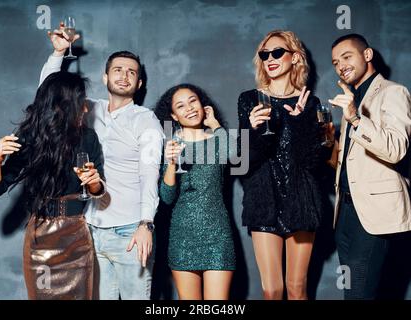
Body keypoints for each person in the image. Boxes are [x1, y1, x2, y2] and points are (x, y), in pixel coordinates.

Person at [40, 23, 164, 299]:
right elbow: (49, 97)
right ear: (105, 77)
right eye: (118, 70)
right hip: (88, 230)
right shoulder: (88, 109)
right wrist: (58, 54)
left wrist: (146, 224)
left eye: (132, 72)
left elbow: (149, 173)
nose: (124, 76)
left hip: (129, 232)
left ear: (139, 84)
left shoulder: (146, 121)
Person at [0, 71, 106, 300]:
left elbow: (99, 190)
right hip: (41, 242)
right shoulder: (31, 137)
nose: (85, 109)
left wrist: (93, 182)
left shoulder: (89, 137)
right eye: (80, 103)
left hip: (76, 239)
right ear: (63, 105)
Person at [237, 30, 324, 300]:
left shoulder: (310, 103)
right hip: (264, 200)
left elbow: (312, 162)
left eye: (277, 52)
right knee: (272, 290)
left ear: (295, 57)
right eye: (264, 55)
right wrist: (253, 129)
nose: (270, 59)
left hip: (301, 200)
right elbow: (245, 162)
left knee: (297, 289)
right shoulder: (250, 100)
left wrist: (299, 123)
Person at [329, 33, 411, 299]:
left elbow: (395, 149)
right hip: (346, 213)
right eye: (335, 62)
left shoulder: (393, 92)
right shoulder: (352, 98)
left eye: (346, 57)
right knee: (353, 292)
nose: (340, 65)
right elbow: (350, 165)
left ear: (367, 55)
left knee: (359, 294)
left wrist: (354, 118)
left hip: (375, 214)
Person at [154, 83, 236, 300]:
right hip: (183, 237)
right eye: (181, 106)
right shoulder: (171, 145)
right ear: (174, 115)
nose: (189, 108)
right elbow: (167, 197)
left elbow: (233, 154)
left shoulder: (217, 138)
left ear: (202, 104)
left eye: (193, 101)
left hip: (218, 235)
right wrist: (171, 163)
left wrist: (216, 125)